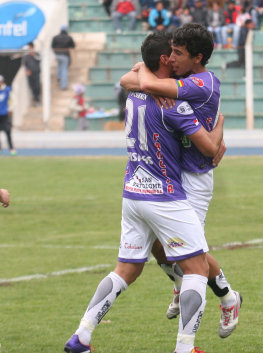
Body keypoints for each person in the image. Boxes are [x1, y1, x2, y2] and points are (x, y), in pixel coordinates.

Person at [63, 31, 224, 353]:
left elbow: (133, 77)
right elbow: (209, 150)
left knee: (125, 269)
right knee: (196, 269)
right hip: (164, 195)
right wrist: (220, 124)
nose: (177, 59)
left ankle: (81, 336)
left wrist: (140, 69)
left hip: (132, 191)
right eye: (173, 54)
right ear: (164, 59)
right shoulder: (173, 106)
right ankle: (185, 347)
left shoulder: (133, 93)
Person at [119, 24, 242, 338]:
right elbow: (125, 80)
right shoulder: (180, 78)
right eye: (170, 52)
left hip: (195, 178)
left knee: (194, 256)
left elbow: (212, 147)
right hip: (168, 175)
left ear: (197, 58)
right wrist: (150, 80)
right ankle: (179, 283)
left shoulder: (200, 82)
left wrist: (148, 78)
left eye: (178, 53)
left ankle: (228, 297)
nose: (171, 58)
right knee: (159, 247)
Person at [51, 25, 75, 90]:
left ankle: (59, 76)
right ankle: (63, 85)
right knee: (64, 69)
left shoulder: (55, 37)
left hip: (57, 55)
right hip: (65, 55)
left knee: (59, 65)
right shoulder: (68, 37)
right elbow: (73, 46)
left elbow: (52, 46)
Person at [0, 75, 16, 156]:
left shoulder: (7, 90)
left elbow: (12, 100)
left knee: (8, 132)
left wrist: (10, 109)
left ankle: (11, 148)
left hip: (5, 115)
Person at [22, 42, 41, 107]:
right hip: (30, 74)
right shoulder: (26, 56)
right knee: (32, 86)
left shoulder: (37, 54)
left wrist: (33, 55)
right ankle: (35, 99)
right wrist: (27, 70)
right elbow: (25, 64)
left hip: (36, 73)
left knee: (37, 86)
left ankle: (37, 98)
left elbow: (39, 60)